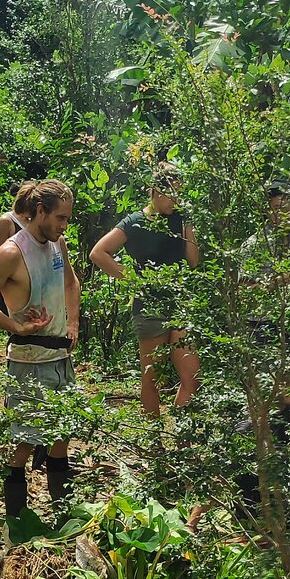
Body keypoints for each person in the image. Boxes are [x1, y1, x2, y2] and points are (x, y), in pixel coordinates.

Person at [0, 179, 84, 534]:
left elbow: (71, 282)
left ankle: (63, 518)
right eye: (60, 218)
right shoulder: (10, 252)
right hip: (27, 359)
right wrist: (14, 326)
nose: (64, 225)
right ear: (40, 212)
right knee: (25, 440)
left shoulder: (57, 244)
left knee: (63, 433)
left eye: (68, 218)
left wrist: (74, 323)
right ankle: (17, 522)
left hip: (59, 356)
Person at [91, 162, 201, 419]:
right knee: (152, 378)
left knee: (192, 376)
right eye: (171, 194)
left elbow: (194, 262)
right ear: (155, 191)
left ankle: (182, 440)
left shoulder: (180, 219)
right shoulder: (135, 222)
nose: (175, 200)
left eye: (179, 193)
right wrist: (132, 280)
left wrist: (188, 227)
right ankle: (154, 442)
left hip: (179, 303)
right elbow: (99, 253)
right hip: (149, 309)